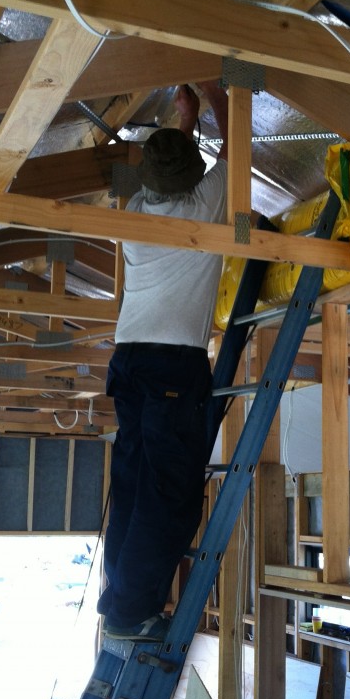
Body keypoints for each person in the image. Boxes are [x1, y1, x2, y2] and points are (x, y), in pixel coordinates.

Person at [98, 82, 230, 641]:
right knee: (163, 494)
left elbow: (178, 169)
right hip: (170, 366)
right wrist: (219, 100)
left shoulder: (137, 210)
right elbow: (237, 148)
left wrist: (187, 115)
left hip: (131, 360)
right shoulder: (206, 204)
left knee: (134, 485)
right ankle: (126, 612)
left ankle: (124, 608)